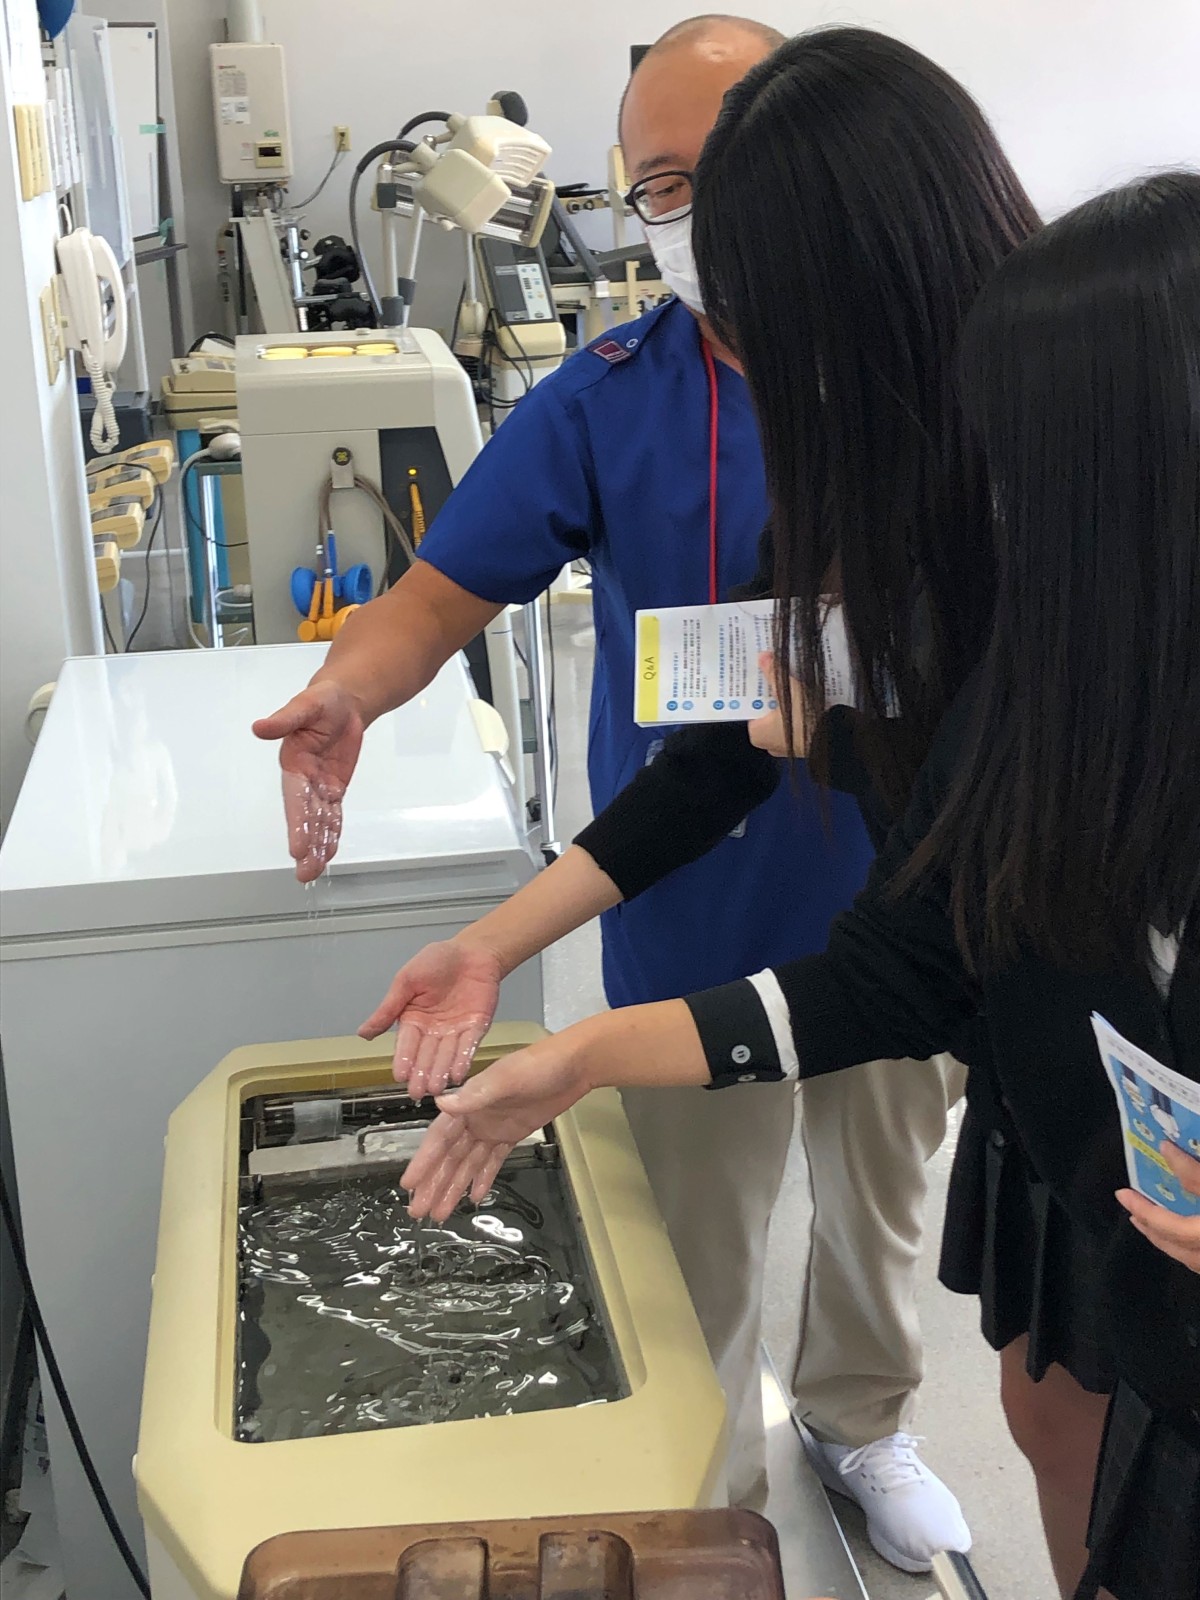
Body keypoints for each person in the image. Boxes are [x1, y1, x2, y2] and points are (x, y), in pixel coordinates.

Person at [395, 169, 1200, 1600]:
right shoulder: (1042, 707)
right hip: (1119, 1217)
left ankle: (862, 1425)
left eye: (1021, 478)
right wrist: (574, 1051)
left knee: (891, 1222)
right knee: (1057, 1413)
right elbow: (897, 963)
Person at [253, 19, 985, 1567]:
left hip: (923, 897)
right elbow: (444, 600)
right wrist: (349, 693)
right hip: (688, 891)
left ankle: (861, 1421)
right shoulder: (610, 396)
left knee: (882, 1201)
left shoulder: (951, 393)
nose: (701, 216)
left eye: (734, 170)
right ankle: (703, 1497)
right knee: (686, 1258)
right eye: (661, 184)